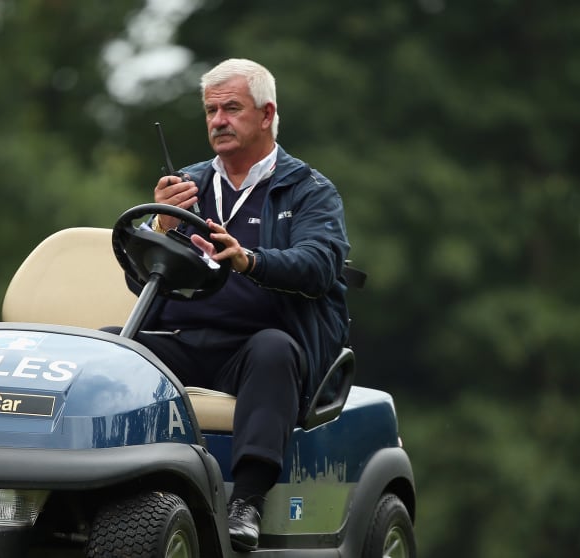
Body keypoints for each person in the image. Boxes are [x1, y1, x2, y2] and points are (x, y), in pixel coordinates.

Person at [127, 58, 351, 551]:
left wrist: (249, 260)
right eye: (211, 111)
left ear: (267, 114)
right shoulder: (183, 186)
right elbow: (137, 277)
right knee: (110, 353)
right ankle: (100, 486)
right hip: (180, 339)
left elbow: (319, 264)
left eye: (231, 108)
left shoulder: (310, 190)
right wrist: (161, 231)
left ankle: (247, 499)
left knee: (273, 350)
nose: (218, 121)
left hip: (256, 348)